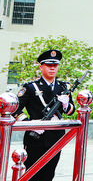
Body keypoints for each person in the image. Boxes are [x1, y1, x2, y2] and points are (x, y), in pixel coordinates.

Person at [12, 50, 75, 181]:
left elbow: (71, 110)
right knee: (32, 174)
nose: (52, 68)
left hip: (56, 138)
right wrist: (30, 124)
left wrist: (65, 105)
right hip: (35, 138)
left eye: (55, 66)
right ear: (41, 67)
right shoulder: (30, 87)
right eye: (48, 65)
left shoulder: (63, 87)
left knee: (49, 174)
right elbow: (15, 109)